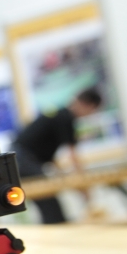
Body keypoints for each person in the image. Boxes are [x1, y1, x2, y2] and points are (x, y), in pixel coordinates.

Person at [12, 88, 103, 224]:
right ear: (89, 106)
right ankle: (58, 231)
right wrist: (83, 184)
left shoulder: (60, 115)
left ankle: (58, 227)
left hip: (22, 158)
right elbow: (73, 156)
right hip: (22, 159)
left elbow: (48, 154)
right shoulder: (66, 118)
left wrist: (65, 176)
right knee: (49, 200)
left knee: (49, 201)